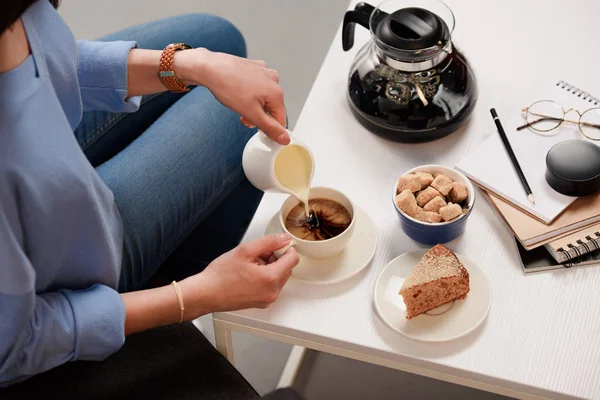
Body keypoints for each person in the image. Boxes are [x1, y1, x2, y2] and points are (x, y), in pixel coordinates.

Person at [0, 0, 299, 386]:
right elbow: (14, 346)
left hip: (52, 184)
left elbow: (47, 65)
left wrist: (189, 66)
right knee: (235, 122)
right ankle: (183, 270)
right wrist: (196, 295)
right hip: (76, 271)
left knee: (215, 39)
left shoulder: (17, 19)